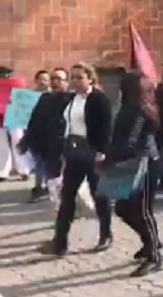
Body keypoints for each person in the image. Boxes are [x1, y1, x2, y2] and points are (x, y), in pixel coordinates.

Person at [46, 63, 113, 256]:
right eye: (73, 77)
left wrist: (102, 151)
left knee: (99, 195)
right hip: (73, 152)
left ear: (90, 78)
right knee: (67, 196)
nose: (75, 81)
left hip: (92, 152)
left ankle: (105, 234)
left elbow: (106, 128)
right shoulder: (70, 98)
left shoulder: (98, 99)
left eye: (79, 77)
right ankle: (60, 241)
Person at [103, 72, 163, 276]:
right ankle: (150, 241)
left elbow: (130, 141)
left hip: (144, 164)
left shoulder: (138, 109)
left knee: (143, 211)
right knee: (123, 208)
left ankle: (154, 256)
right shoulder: (128, 107)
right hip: (131, 163)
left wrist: (108, 158)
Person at [22, 68, 71, 202]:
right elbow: (35, 119)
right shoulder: (45, 98)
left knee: (67, 181)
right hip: (46, 146)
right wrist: (28, 140)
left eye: (59, 79)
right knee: (52, 180)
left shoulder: (72, 99)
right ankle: (60, 212)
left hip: (66, 146)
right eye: (53, 78)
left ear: (67, 82)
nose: (55, 82)